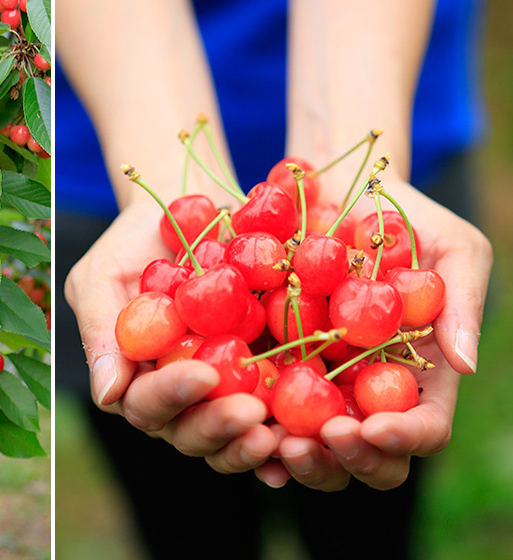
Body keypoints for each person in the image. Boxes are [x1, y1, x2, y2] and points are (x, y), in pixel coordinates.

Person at [56, 0, 493, 557]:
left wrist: (348, 139)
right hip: (103, 128)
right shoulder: (194, 273)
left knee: (367, 519)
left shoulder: (367, 247)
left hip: (384, 77)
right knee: (184, 517)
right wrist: (160, 175)